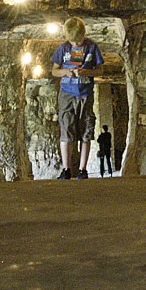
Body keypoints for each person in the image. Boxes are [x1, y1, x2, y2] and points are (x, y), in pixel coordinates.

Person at [50, 17, 103, 179]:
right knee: (67, 129)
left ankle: (82, 169)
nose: (76, 44)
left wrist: (86, 72)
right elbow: (54, 71)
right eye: (73, 41)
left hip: (85, 94)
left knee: (86, 130)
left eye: (79, 41)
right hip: (67, 93)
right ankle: (66, 169)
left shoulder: (92, 47)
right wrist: (66, 72)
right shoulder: (63, 49)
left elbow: (100, 70)